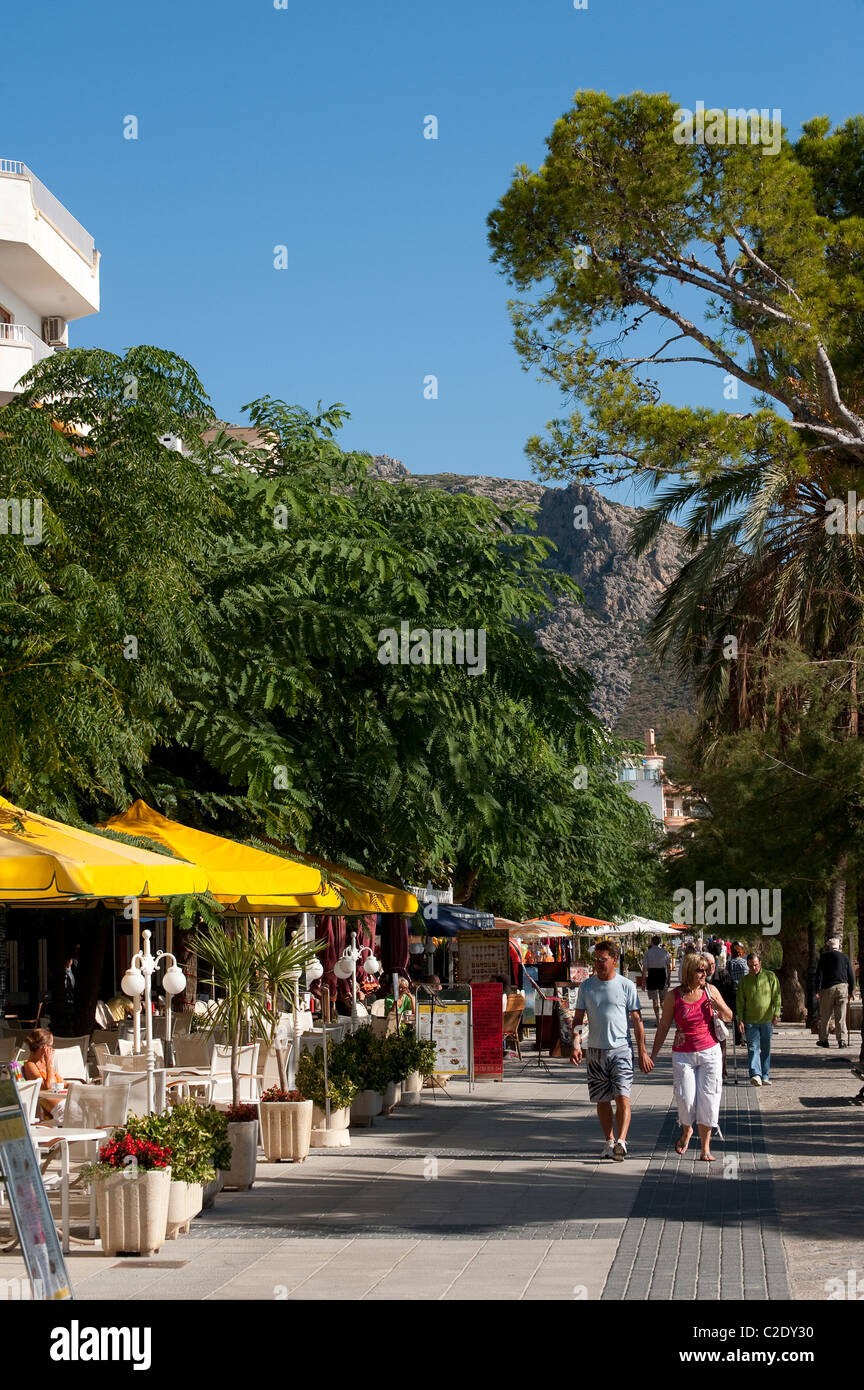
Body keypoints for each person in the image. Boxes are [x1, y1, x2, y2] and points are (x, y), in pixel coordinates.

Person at [569, 941, 652, 1161]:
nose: (597, 964)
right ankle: (609, 1141)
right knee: (602, 1099)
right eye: (595, 959)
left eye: (602, 959)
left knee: (622, 1096)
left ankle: (622, 1142)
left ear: (614, 959)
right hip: (595, 1050)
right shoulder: (586, 986)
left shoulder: (626, 986)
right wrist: (576, 1043)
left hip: (621, 1050)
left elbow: (637, 1020)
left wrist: (643, 1051)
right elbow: (578, 1019)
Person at [650, 953, 733, 1160]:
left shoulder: (710, 991)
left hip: (710, 1052)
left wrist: (719, 1006)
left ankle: (705, 1148)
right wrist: (653, 1054)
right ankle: (687, 1129)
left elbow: (729, 1016)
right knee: (686, 1099)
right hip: (683, 1054)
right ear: (688, 971)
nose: (704, 974)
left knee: (709, 1099)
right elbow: (663, 1027)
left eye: (706, 970)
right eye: (699, 970)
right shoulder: (674, 996)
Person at [736, 951, 781, 1086]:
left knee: (766, 1048)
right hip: (750, 1021)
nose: (753, 968)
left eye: (755, 965)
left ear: (760, 963)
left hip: (767, 1020)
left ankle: (765, 1075)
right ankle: (755, 1074)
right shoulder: (744, 981)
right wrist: (741, 1019)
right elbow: (740, 1001)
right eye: (750, 966)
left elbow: (776, 996)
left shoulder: (770, 976)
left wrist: (776, 1013)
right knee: (753, 1048)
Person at [815, 937, 855, 1049]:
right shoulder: (845, 957)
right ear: (839, 947)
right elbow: (851, 975)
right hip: (842, 987)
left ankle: (824, 1039)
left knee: (826, 1015)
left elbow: (818, 975)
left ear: (829, 947)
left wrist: (817, 990)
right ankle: (841, 1040)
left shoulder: (824, 957)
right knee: (841, 1015)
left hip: (827, 988)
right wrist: (851, 990)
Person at [21, 1029, 66, 1122]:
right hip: (58, 1107)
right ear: (44, 1047)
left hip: (65, 1102)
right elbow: (49, 1087)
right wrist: (49, 1063)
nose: (52, 1049)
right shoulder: (30, 1065)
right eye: (51, 1046)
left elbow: (64, 1083)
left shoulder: (44, 1064)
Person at [642, 935, 671, 1024]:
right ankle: (665, 1019)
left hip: (652, 975)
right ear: (660, 942)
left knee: (655, 1000)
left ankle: (658, 1020)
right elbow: (669, 967)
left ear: (652, 942)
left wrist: (643, 981)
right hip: (662, 975)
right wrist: (668, 979)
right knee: (663, 1000)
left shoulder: (648, 953)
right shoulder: (665, 952)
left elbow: (645, 969)